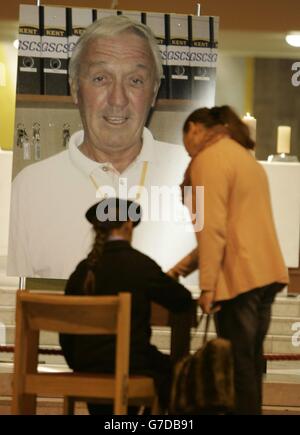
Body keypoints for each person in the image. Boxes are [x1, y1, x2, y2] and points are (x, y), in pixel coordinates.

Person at [7, 15, 195, 279]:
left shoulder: (194, 173)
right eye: (100, 79)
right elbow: (16, 303)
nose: (118, 100)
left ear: (153, 93)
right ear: (74, 89)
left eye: (135, 81)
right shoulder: (29, 187)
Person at [168, 105, 289, 415]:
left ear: (194, 128)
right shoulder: (241, 157)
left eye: (185, 140)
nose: (187, 151)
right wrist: (180, 270)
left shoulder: (208, 160)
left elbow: (212, 230)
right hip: (267, 272)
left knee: (236, 368)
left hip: (240, 276)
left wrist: (207, 287)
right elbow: (228, 229)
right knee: (247, 364)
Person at [59, 197, 194, 414]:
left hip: (86, 364)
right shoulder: (139, 266)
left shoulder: (82, 271)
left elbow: (65, 331)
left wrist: (77, 362)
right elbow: (182, 301)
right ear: (129, 224)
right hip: (131, 364)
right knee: (173, 371)